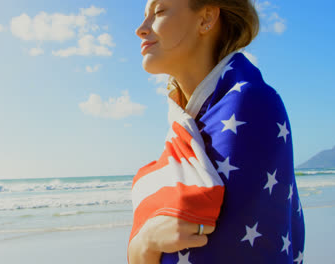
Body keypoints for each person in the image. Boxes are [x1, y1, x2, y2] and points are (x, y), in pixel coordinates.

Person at [128, 0, 305, 263]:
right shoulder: (191, 123)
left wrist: (144, 245)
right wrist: (145, 242)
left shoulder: (251, 103)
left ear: (206, 18)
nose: (140, 29)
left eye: (159, 11)